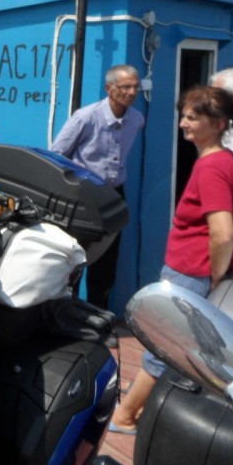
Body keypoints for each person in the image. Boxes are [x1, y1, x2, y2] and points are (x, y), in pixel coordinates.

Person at [110, 86, 233, 433]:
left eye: (192, 117)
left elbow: (223, 232)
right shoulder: (229, 161)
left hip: (191, 272)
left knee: (163, 345)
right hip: (201, 271)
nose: (183, 123)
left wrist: (218, 273)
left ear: (217, 124)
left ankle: (125, 415)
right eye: (183, 115)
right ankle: (137, 408)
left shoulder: (212, 168)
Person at [50, 65, 145, 309]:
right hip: (84, 195)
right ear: (109, 89)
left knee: (107, 259)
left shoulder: (136, 119)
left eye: (136, 86)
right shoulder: (86, 117)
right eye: (126, 87)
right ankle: (66, 310)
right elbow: (57, 155)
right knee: (74, 255)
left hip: (114, 195)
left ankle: (97, 313)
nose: (132, 92)